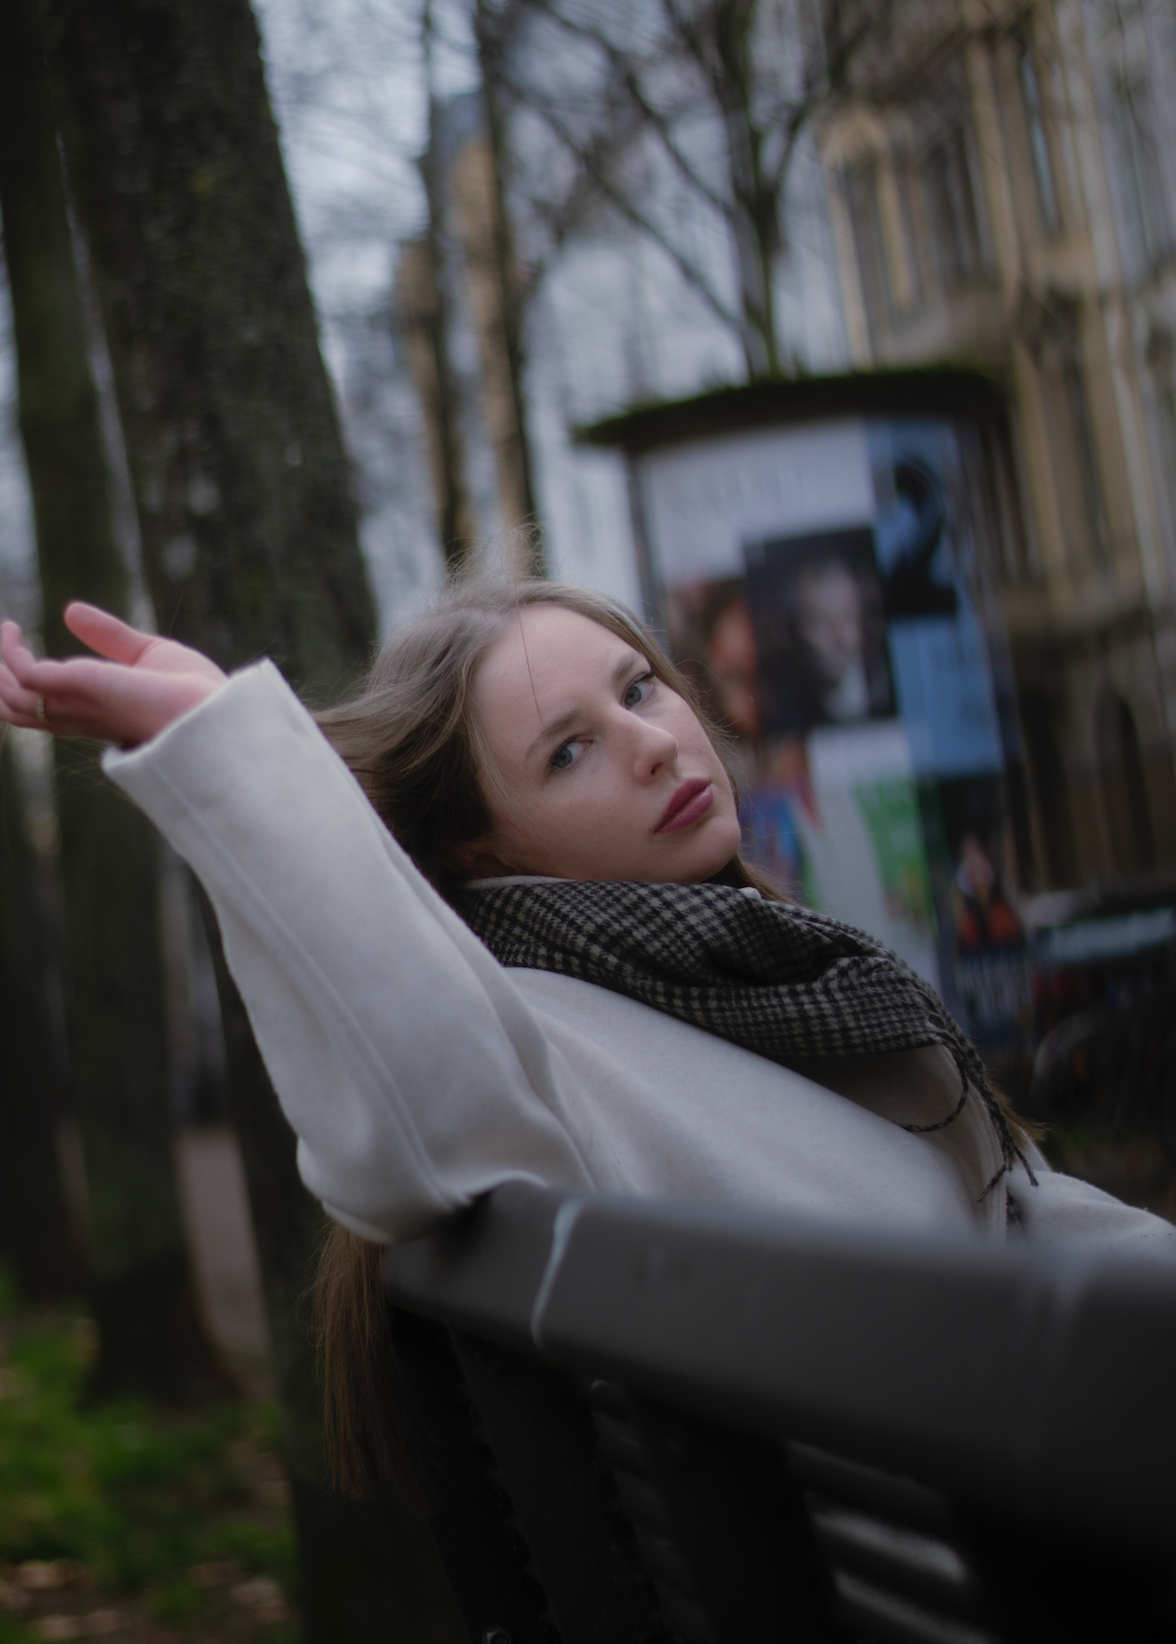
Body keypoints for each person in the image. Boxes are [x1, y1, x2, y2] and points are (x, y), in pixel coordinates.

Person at [2, 568, 1173, 1496]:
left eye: (640, 688)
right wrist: (235, 758)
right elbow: (425, 1088)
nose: (652, 741)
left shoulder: (763, 977)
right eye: (568, 751)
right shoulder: (539, 1051)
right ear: (484, 849)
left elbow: (1025, 1217)